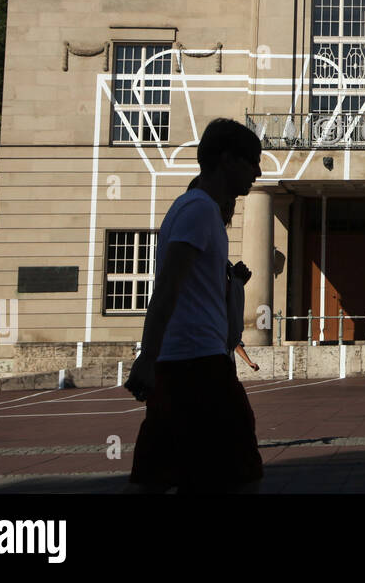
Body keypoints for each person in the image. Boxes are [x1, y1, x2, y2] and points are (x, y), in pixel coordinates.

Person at [125, 118, 265, 493]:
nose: (258, 170)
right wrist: (147, 356)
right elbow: (168, 287)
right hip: (197, 365)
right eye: (251, 160)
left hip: (185, 363)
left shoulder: (198, 210)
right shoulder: (199, 210)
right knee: (242, 472)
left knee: (165, 477)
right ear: (226, 160)